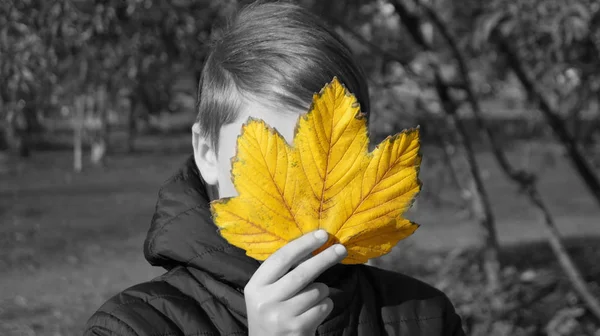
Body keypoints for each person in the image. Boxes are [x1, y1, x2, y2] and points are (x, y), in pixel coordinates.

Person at [84, 1, 465, 335]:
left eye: (326, 158)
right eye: (273, 154)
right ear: (206, 153)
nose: (303, 188)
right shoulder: (132, 326)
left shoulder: (424, 316)